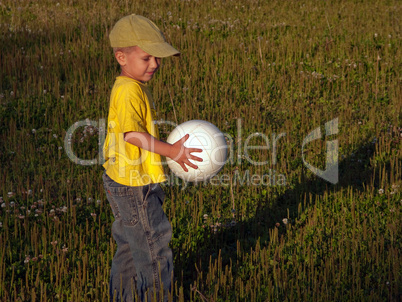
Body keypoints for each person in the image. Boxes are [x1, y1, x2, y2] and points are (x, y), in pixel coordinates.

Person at [102, 14, 202, 302]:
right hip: (135, 186)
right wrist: (172, 151)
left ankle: (123, 297)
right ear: (121, 56)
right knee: (153, 247)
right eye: (147, 58)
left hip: (120, 180)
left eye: (157, 58)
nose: (155, 64)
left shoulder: (127, 87)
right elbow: (132, 135)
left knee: (130, 248)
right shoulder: (129, 91)